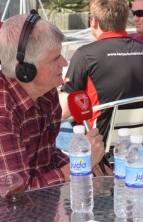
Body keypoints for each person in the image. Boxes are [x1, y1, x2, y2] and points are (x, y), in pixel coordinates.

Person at [0, 13, 104, 190]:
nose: (64, 63)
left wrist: (89, 169)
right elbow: (14, 193)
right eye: (55, 59)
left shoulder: (48, 93)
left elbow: (47, 156)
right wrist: (78, 166)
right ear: (25, 71)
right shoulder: (3, 113)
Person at [59, 0, 143, 149]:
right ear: (125, 20)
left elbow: (64, 109)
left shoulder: (85, 54)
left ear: (94, 22)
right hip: (138, 139)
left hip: (99, 141)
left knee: (49, 128)